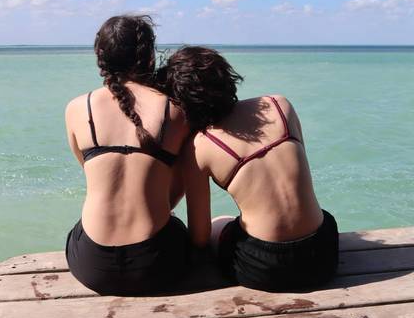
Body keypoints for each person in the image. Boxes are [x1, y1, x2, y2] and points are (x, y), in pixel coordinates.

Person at [159, 46, 339, 292]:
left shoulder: (200, 147)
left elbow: (200, 237)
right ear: (226, 77)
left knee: (220, 222)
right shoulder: (280, 106)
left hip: (265, 268)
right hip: (323, 254)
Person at [64, 15, 191, 295]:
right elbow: (178, 187)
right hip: (155, 265)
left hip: (92, 264)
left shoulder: (77, 108)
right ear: (149, 57)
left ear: (101, 57)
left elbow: (90, 172)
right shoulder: (175, 112)